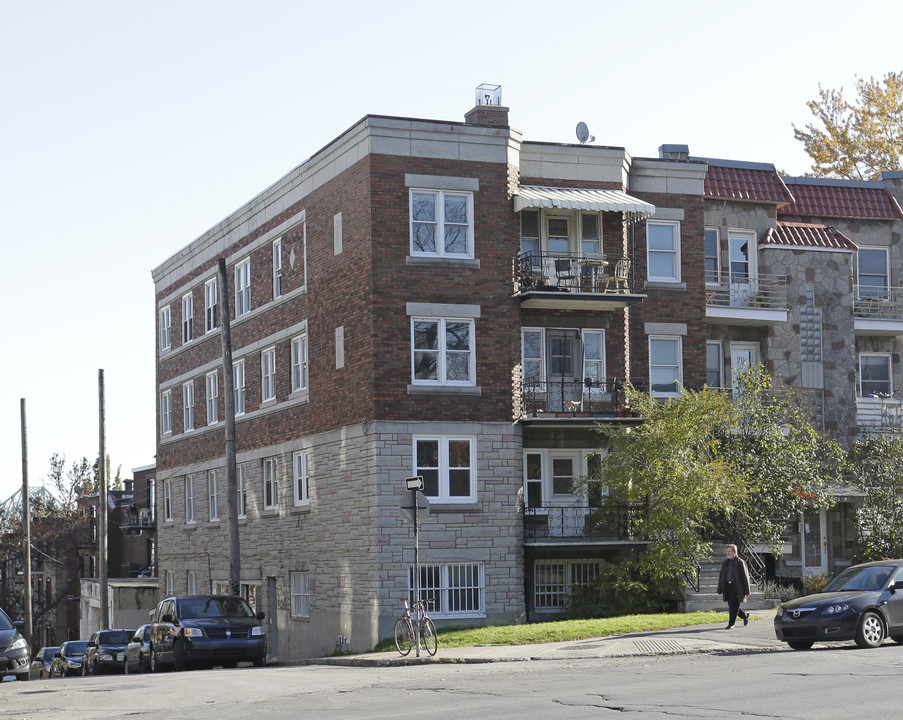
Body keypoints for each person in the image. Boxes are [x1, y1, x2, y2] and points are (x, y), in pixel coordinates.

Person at [717, 544, 751, 629]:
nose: (728, 553)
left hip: (737, 587)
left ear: (735, 552)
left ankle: (731, 624)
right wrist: (720, 588)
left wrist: (747, 591)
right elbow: (721, 576)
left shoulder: (740, 562)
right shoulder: (725, 563)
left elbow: (745, 577)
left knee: (734, 605)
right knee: (732, 605)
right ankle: (744, 615)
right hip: (728, 586)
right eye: (727, 551)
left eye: (729, 551)